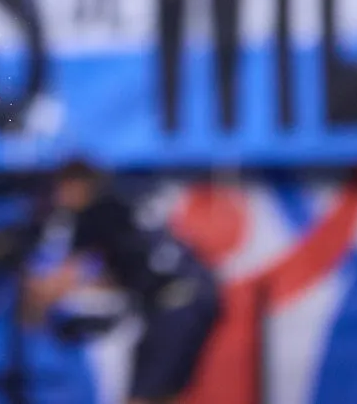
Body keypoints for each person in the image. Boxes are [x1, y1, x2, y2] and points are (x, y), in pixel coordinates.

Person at [24, 162, 221, 404]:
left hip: (175, 300)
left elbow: (66, 275)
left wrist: (37, 298)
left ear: (81, 185)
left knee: (141, 396)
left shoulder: (95, 211)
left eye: (63, 188)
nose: (59, 196)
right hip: (197, 293)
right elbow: (121, 273)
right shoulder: (122, 204)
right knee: (165, 393)